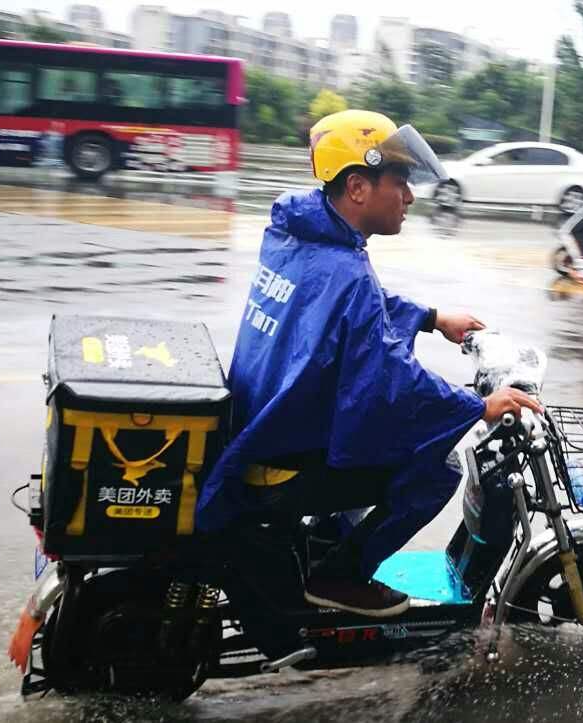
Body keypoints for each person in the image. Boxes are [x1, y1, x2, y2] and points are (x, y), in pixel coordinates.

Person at [196, 110, 542, 617]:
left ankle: (326, 543)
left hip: (261, 428)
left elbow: (353, 308)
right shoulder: (346, 268)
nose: (410, 197)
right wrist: (477, 406)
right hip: (277, 457)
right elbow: (390, 381)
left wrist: (430, 317)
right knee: (436, 466)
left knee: (372, 439)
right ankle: (341, 576)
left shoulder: (300, 235)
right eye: (400, 182)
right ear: (358, 188)